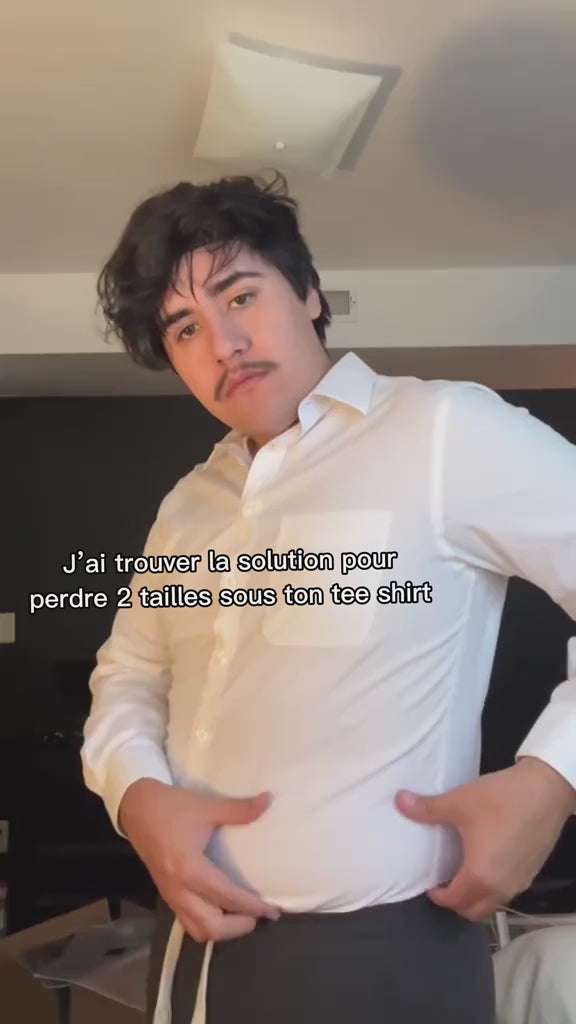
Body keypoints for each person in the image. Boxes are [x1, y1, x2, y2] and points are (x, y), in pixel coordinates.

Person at [81, 171, 576, 1024]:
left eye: (242, 295)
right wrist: (137, 797)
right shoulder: (188, 506)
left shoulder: (443, 432)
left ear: (309, 293)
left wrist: (552, 778)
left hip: (380, 956)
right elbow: (129, 675)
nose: (224, 343)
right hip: (191, 947)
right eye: (185, 328)